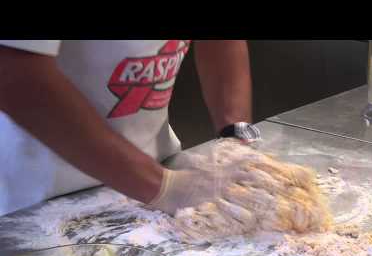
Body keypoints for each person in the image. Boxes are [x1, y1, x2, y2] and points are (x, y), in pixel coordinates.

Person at [0, 40, 260, 216]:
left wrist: (235, 136)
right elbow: (14, 72)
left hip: (155, 170)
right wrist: (163, 187)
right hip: (34, 195)